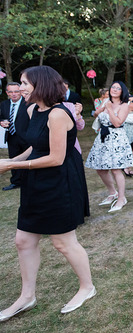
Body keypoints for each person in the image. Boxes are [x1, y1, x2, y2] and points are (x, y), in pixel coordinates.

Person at [0, 66, 94, 321]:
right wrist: (8, 160)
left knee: (63, 241)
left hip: (59, 183)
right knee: (24, 241)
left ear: (40, 84)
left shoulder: (59, 114)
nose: (20, 88)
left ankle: (87, 287)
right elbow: (36, 148)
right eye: (19, 83)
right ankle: (27, 296)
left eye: (24, 83)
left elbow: (55, 158)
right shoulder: (33, 110)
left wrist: (11, 165)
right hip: (36, 183)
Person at [85, 81, 133, 212]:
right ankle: (113, 192)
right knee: (100, 169)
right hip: (103, 138)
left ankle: (121, 198)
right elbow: (96, 115)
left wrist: (110, 110)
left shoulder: (124, 105)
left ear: (122, 92)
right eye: (113, 87)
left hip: (117, 139)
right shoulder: (106, 100)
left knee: (116, 169)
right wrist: (102, 108)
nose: (115, 89)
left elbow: (118, 123)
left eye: (118, 88)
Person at [0, 82, 30, 191]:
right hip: (12, 137)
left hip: (27, 137)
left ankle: (30, 181)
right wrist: (2, 122)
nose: (14, 94)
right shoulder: (4, 104)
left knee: (28, 159)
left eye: (16, 91)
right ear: (7, 93)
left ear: (21, 92)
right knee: (14, 160)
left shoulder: (28, 103)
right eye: (10, 92)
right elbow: (1, 117)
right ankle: (16, 182)